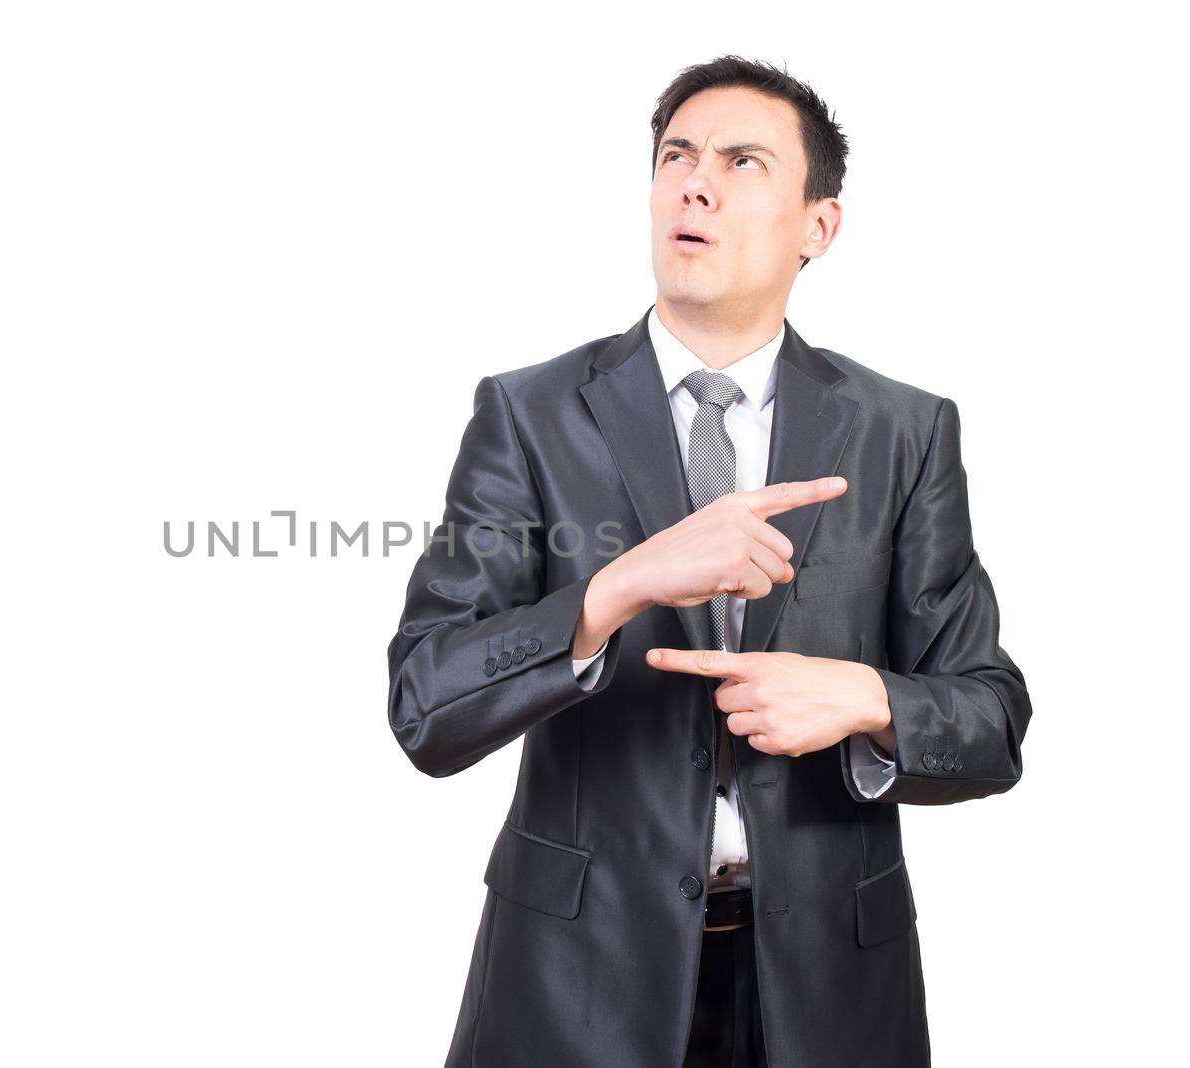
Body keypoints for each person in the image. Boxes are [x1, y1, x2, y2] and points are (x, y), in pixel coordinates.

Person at [385, 55, 1032, 1068]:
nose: (695, 182)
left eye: (742, 162)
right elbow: (426, 705)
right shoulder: (529, 417)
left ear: (819, 225)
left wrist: (866, 699)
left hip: (824, 996)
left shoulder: (902, 432)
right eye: (676, 156)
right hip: (575, 987)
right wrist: (615, 589)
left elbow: (989, 719)